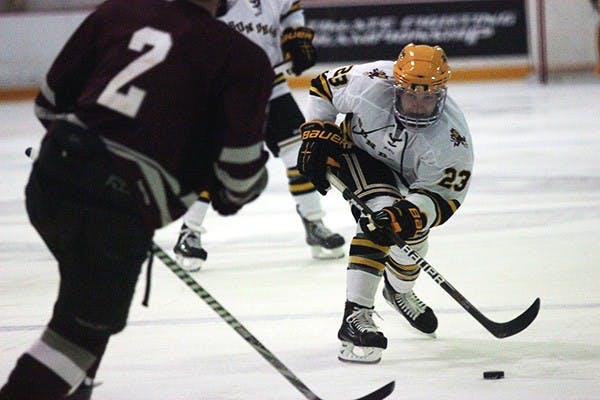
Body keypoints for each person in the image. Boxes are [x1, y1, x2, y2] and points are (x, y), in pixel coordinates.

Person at [0, 0, 274, 399]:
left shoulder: (117, 12)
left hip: (50, 180)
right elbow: (239, 177)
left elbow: (48, 104)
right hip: (114, 211)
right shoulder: (243, 58)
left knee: (85, 297)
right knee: (77, 337)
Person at [297, 43, 474, 363]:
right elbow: (322, 86)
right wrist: (318, 130)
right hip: (357, 155)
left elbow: (444, 196)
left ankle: (399, 291)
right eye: (411, 95)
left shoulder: (452, 139)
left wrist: (414, 213)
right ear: (396, 87)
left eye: (428, 97)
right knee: (377, 221)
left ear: (441, 93)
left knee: (411, 239)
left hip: (411, 182)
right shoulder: (370, 81)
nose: (419, 105)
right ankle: (356, 316)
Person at [172, 0, 345, 271]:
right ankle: (189, 231)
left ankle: (314, 223)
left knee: (298, 150)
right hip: (221, 85)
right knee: (213, 158)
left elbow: (291, 9)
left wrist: (295, 37)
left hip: (270, 84)